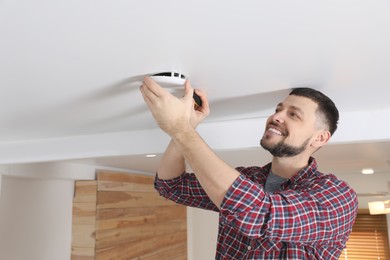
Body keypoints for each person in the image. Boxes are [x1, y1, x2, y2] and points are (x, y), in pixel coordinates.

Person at [140, 77, 358, 259]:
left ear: (320, 138)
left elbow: (260, 214)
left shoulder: (337, 197)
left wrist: (179, 129)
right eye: (278, 109)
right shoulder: (247, 177)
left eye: (293, 114)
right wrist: (186, 126)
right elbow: (172, 186)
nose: (276, 117)